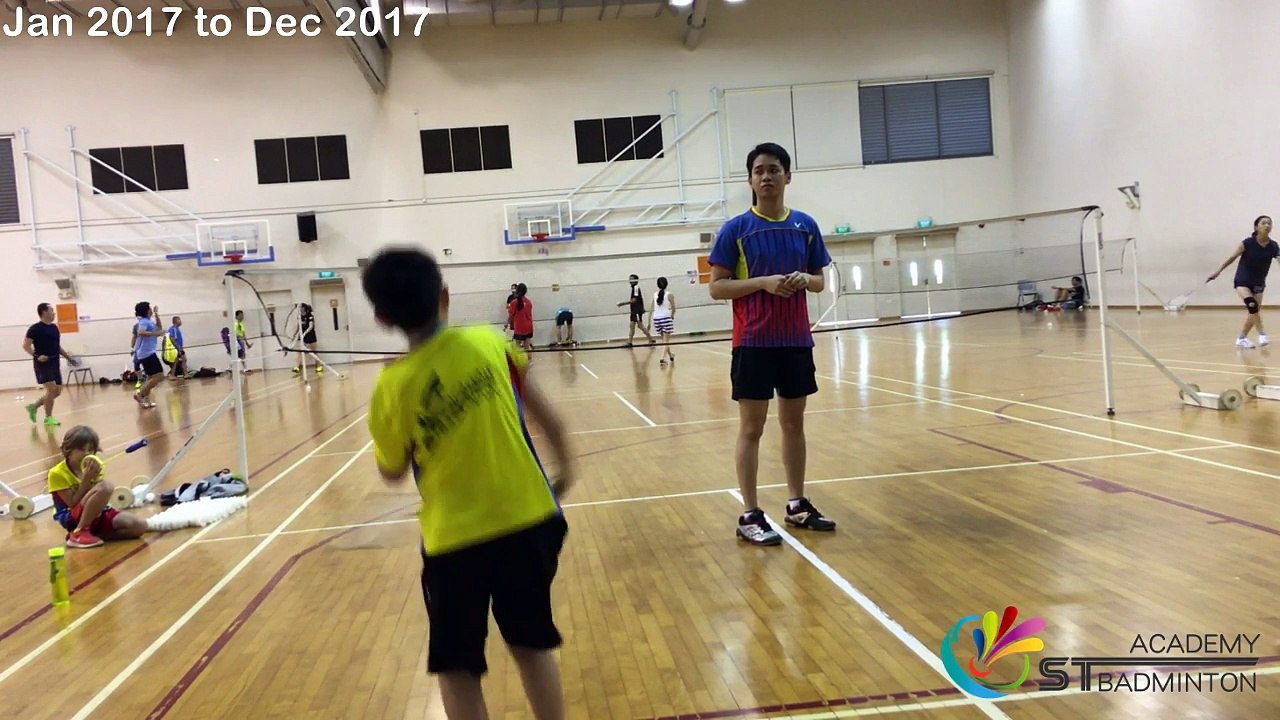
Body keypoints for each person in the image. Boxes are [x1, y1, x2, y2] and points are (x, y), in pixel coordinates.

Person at [361, 247, 574, 720]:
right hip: (529, 520)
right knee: (532, 645)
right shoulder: (489, 341)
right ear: (444, 295)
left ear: (381, 318)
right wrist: (565, 469)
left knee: (457, 668)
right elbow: (546, 416)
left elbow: (392, 471)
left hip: (454, 542)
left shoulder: (391, 387)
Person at [707, 142, 835, 547]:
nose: (767, 176)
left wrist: (805, 279)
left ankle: (796, 504)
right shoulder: (736, 230)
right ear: (750, 179)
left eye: (774, 169)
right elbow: (717, 287)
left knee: (794, 424)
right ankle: (749, 514)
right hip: (753, 342)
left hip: (795, 340)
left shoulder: (806, 226)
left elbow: (820, 281)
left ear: (787, 176)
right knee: (752, 428)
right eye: (759, 170)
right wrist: (761, 283)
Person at [48, 425, 148, 549]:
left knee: (140, 526)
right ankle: (79, 532)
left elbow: (96, 499)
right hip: (71, 517)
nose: (87, 454)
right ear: (68, 449)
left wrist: (93, 479)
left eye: (90, 450)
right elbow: (72, 504)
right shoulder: (57, 473)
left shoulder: (95, 467)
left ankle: (92, 534)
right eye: (81, 449)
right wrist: (86, 480)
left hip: (96, 513)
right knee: (106, 487)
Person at [1209, 215, 1279, 348]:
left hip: (1259, 282)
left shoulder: (1274, 246)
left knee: (1254, 312)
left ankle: (1242, 338)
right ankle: (1262, 334)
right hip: (1242, 280)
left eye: (1269, 223)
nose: (1267, 225)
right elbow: (1232, 258)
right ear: (1256, 227)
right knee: (1252, 305)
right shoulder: (1247, 243)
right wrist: (1218, 271)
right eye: (1263, 223)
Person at [22, 303, 76, 426]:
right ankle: (48, 418)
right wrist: (37, 356)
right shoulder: (35, 329)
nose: (54, 313)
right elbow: (26, 345)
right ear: (44, 312)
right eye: (52, 310)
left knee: (57, 392)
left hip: (55, 363)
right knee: (51, 390)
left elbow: (57, 346)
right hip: (42, 364)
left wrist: (68, 357)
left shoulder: (54, 328)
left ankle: (33, 407)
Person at [132, 302, 165, 409]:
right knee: (159, 376)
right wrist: (155, 334)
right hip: (146, 353)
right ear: (147, 311)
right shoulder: (144, 322)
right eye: (150, 309)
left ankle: (146, 399)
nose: (151, 310)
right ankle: (140, 395)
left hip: (148, 352)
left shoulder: (148, 322)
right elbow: (141, 332)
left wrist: (156, 314)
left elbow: (159, 328)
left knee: (151, 377)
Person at [616, 275, 654, 347]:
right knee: (632, 326)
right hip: (634, 310)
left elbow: (634, 300)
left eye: (632, 280)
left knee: (640, 326)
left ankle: (651, 340)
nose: (630, 281)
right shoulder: (633, 288)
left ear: (636, 281)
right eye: (630, 279)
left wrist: (622, 303)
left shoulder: (636, 288)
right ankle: (630, 342)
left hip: (637, 310)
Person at [652, 277, 676, 365]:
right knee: (666, 341)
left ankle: (671, 355)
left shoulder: (654, 294)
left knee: (664, 340)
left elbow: (652, 308)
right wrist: (672, 315)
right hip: (665, 318)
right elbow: (673, 308)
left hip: (656, 319)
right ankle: (662, 358)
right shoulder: (669, 294)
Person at [294, 303, 323, 375]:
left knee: (314, 351)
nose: (299, 308)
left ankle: (318, 366)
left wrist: (305, 333)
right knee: (300, 351)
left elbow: (311, 326)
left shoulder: (310, 316)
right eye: (299, 307)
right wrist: (296, 334)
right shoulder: (299, 317)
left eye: (300, 307)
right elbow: (298, 327)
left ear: (304, 308)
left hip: (310, 335)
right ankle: (297, 367)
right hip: (302, 336)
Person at [508, 283, 534, 351]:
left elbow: (510, 315)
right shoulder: (529, 302)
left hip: (519, 328)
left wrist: (506, 324)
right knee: (527, 347)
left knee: (517, 347)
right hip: (529, 327)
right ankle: (529, 358)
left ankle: (519, 358)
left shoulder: (513, 303)